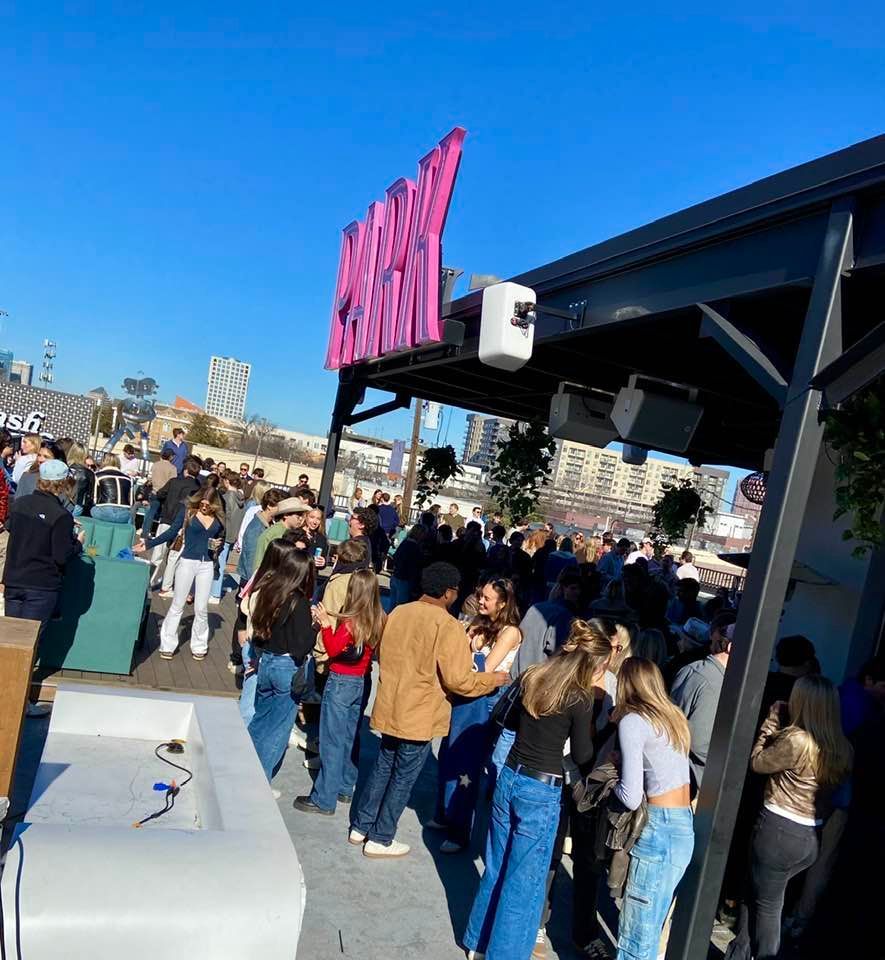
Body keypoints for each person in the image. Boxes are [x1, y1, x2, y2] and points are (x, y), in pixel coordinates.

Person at [463, 620, 613, 960]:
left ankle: (478, 941)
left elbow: (511, 722)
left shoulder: (534, 674)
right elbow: (582, 755)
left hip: (510, 776)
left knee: (497, 864)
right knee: (524, 880)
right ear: (593, 663)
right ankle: (505, 953)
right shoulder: (580, 697)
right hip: (541, 788)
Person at [349, 562, 508, 858]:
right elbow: (459, 679)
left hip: (390, 705)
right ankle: (381, 838)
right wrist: (491, 680)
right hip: (419, 714)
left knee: (383, 767)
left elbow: (382, 654)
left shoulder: (399, 612)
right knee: (403, 777)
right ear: (448, 593)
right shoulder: (446, 625)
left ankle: (361, 827)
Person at [725, 676, 853, 960]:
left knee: (768, 907)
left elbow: (757, 762)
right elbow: (832, 798)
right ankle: (739, 951)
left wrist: (770, 722)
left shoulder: (797, 740)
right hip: (809, 836)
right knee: (753, 890)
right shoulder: (842, 747)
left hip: (778, 830)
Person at [610, 658, 694, 960]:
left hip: (659, 825)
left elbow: (631, 796)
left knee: (636, 932)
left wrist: (611, 786)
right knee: (653, 921)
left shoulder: (634, 721)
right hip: (684, 824)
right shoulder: (674, 716)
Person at [435, 578, 523, 852]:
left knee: (466, 765)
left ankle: (459, 831)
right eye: (480, 595)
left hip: (484, 701)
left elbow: (486, 668)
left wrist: (469, 646)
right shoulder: (479, 622)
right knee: (448, 753)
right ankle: (444, 814)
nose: (481, 601)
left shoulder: (510, 632)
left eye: (487, 598)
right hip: (465, 693)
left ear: (503, 602)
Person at [294, 569, 385, 815]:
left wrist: (325, 625)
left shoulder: (351, 620)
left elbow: (333, 649)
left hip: (341, 680)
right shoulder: (378, 617)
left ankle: (324, 797)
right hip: (360, 680)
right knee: (348, 736)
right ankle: (346, 785)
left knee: (331, 740)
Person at [246, 547, 317, 783]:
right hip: (287, 667)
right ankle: (260, 783)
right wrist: (317, 627)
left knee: (260, 720)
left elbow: (258, 630)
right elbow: (302, 645)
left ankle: (245, 769)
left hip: (267, 662)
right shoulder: (299, 602)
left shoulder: (270, 592)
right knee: (277, 731)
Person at [135, 487, 225, 661]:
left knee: (201, 608)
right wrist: (149, 544)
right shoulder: (187, 512)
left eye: (208, 504)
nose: (204, 506)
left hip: (206, 564)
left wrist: (218, 545)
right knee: (178, 604)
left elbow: (219, 540)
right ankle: (167, 644)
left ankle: (199, 645)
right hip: (187, 561)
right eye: (202, 502)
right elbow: (171, 531)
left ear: (214, 504)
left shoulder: (219, 519)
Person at [3, 459, 85, 636]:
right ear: (62, 484)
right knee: (29, 643)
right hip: (41, 584)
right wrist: (78, 543)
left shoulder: (19, 504)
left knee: (9, 641)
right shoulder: (61, 516)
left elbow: (10, 526)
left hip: (14, 579)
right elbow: (61, 556)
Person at [670, 612, 738, 793]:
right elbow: (700, 741)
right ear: (730, 647)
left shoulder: (692, 668)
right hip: (689, 779)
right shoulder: (714, 683)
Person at [152, 455, 202, 593]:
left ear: (185, 470)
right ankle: (166, 586)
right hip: (182, 525)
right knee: (174, 557)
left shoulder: (173, 481)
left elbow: (160, 494)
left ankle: (148, 581)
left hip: (166, 519)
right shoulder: (198, 488)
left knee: (158, 554)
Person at [210, 473, 246, 603]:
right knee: (222, 562)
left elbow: (223, 517)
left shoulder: (225, 498)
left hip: (224, 534)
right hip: (234, 535)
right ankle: (215, 590)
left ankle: (214, 593)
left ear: (227, 481)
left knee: (219, 563)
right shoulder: (242, 500)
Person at [254, 498, 311, 572]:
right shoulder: (279, 533)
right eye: (298, 515)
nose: (300, 519)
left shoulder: (278, 530)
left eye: (302, 515)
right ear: (286, 515)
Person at [388, 523, 428, 609]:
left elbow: (395, 557)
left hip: (396, 576)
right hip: (405, 580)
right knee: (401, 608)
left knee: (392, 606)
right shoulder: (415, 548)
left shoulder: (405, 542)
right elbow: (415, 568)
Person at [55, 439, 95, 517]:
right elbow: (90, 495)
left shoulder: (64, 467)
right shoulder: (89, 473)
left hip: (61, 501)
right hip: (78, 505)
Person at [91, 453, 134, 523]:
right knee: (129, 516)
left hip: (104, 512)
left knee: (92, 510)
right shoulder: (129, 479)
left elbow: (94, 499)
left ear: (104, 462)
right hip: (123, 515)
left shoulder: (98, 475)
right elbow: (131, 502)